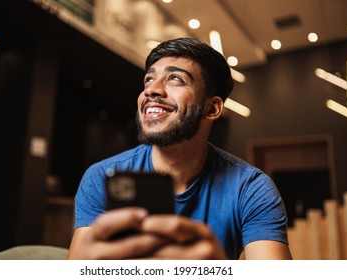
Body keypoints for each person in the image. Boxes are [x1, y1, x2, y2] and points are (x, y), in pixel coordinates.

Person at [67, 37, 292, 260]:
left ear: (212, 108)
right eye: (148, 79)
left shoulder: (251, 189)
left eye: (174, 78)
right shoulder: (101, 177)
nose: (151, 90)